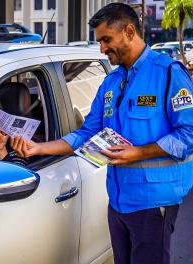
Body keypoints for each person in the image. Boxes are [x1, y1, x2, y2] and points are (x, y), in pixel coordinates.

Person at [11, 3, 193, 264]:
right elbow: (88, 132)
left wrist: (139, 152)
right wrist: (38, 148)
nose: (102, 48)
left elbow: (189, 134)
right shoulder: (111, 82)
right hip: (118, 202)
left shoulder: (167, 73)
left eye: (106, 39)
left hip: (154, 203)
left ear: (129, 31)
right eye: (99, 41)